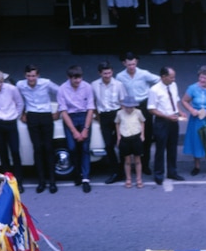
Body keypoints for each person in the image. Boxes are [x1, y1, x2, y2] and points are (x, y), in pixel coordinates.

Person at [17, 64, 59, 193]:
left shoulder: (46, 83)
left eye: (33, 76)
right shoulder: (20, 85)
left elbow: (61, 92)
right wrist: (22, 112)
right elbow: (17, 99)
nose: (31, 78)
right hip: (32, 116)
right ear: (25, 76)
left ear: (38, 76)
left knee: (48, 148)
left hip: (46, 115)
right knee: (37, 148)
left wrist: (59, 110)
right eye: (29, 76)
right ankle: (41, 182)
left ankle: (52, 181)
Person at [116, 52, 160, 176]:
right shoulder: (120, 76)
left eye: (133, 64)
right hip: (129, 107)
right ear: (124, 63)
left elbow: (158, 80)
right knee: (128, 134)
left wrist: (151, 94)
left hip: (144, 106)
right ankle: (128, 164)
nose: (131, 66)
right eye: (129, 64)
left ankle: (145, 165)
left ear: (137, 62)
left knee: (145, 135)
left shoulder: (144, 74)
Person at [0, 70, 25, 193]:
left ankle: (19, 181)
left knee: (15, 152)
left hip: (11, 122)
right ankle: (7, 181)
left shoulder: (12, 89)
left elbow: (19, 103)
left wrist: (15, 116)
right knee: (3, 153)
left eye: (1, 82)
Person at [57, 65, 96, 193]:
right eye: (75, 79)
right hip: (70, 117)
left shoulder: (87, 87)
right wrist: (74, 131)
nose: (78, 81)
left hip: (84, 116)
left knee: (85, 148)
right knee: (72, 147)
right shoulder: (62, 89)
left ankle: (85, 178)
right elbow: (63, 111)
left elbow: (90, 108)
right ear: (69, 78)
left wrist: (85, 129)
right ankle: (77, 172)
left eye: (79, 78)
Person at [146, 66, 186, 185]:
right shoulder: (154, 90)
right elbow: (151, 109)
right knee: (160, 149)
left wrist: (179, 111)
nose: (174, 79)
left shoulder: (173, 85)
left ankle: (172, 172)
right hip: (162, 122)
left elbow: (175, 100)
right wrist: (166, 116)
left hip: (173, 120)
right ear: (163, 77)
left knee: (172, 147)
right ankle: (158, 174)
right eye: (171, 77)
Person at [91, 61, 128, 184]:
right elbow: (93, 102)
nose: (107, 75)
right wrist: (97, 115)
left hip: (117, 114)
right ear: (100, 73)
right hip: (104, 116)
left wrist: (124, 119)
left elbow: (123, 103)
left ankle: (123, 171)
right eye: (105, 73)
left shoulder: (118, 84)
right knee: (108, 145)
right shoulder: (94, 85)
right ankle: (115, 171)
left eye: (109, 73)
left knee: (121, 144)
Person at [115, 95, 145, 188]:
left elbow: (142, 122)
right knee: (127, 161)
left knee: (137, 160)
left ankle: (139, 179)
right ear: (123, 106)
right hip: (125, 138)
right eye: (127, 107)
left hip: (136, 137)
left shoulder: (138, 112)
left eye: (131, 107)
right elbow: (117, 123)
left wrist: (142, 134)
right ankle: (128, 179)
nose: (129, 109)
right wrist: (118, 136)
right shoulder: (119, 113)